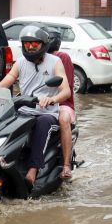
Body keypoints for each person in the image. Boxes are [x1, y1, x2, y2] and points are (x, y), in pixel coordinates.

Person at [0, 24, 71, 186]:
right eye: (26, 44)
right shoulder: (20, 63)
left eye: (34, 44)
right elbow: (5, 82)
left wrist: (52, 100)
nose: (30, 47)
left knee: (42, 124)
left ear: (43, 44)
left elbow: (66, 91)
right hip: (23, 111)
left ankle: (33, 169)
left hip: (46, 113)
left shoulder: (55, 62)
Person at [44, 26, 76, 179]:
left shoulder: (62, 57)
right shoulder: (36, 57)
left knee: (63, 119)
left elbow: (66, 86)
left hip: (63, 103)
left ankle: (66, 165)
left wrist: (52, 99)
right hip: (41, 102)